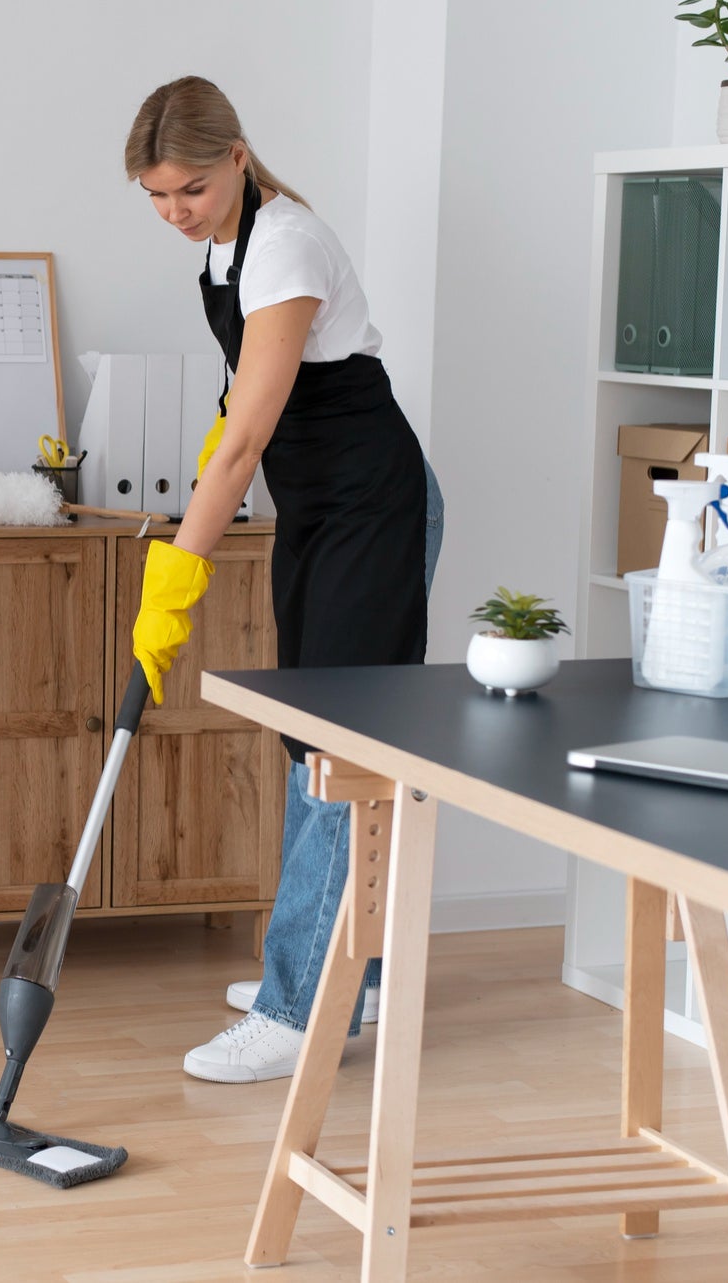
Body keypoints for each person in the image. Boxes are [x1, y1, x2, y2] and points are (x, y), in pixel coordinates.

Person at [124, 76, 443, 1084]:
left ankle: (298, 1007)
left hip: (373, 509)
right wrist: (193, 512)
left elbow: (245, 439)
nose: (176, 213)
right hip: (319, 510)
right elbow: (239, 408)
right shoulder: (227, 248)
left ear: (235, 157)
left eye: (190, 189)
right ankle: (359, 972)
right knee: (317, 735)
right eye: (156, 196)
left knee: (342, 746)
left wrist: (177, 571)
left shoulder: (284, 244)